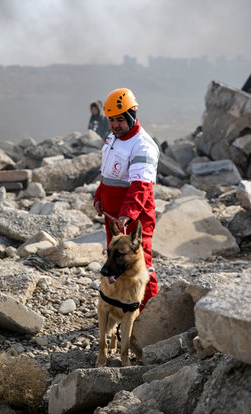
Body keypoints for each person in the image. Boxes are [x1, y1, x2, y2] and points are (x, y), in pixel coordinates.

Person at [93, 88, 160, 309]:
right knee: (116, 264)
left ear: (131, 116)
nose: (114, 125)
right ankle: (125, 309)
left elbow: (140, 187)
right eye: (111, 120)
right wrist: (99, 196)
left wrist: (127, 216)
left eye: (120, 120)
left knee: (142, 265)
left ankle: (149, 312)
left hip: (134, 220)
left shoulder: (143, 146)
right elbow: (108, 174)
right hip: (113, 219)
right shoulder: (112, 138)